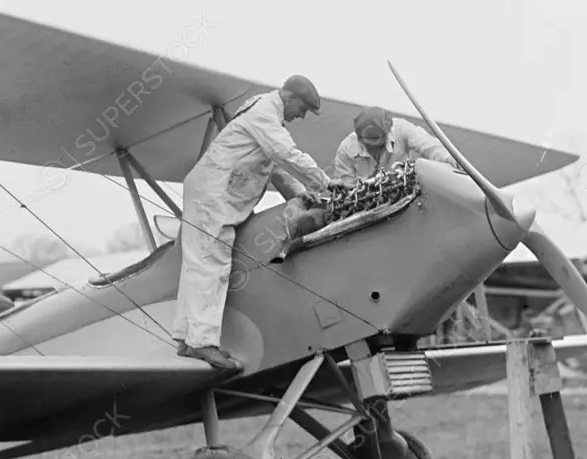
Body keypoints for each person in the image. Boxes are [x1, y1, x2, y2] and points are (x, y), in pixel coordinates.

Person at [173, 75, 330, 371]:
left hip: (208, 191)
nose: (302, 115)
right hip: (213, 194)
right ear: (289, 96)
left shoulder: (262, 115)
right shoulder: (264, 115)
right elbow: (286, 154)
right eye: (303, 108)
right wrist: (327, 184)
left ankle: (186, 338)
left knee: (199, 263)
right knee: (213, 261)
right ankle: (202, 343)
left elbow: (277, 171)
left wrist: (305, 194)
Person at [331, 106, 457, 187]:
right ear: (359, 138)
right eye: (372, 140)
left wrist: (448, 159)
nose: (377, 144)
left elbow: (429, 146)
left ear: (388, 131)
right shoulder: (345, 150)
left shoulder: (402, 128)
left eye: (381, 137)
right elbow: (346, 185)